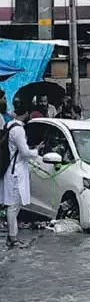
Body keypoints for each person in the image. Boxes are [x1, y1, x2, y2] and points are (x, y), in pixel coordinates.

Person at [1, 102, 43, 247]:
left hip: (12, 170)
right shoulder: (18, 130)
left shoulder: (9, 125)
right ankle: (12, 238)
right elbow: (24, 152)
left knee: (13, 205)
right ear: (25, 113)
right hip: (15, 172)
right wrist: (36, 151)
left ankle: (12, 236)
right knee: (13, 205)